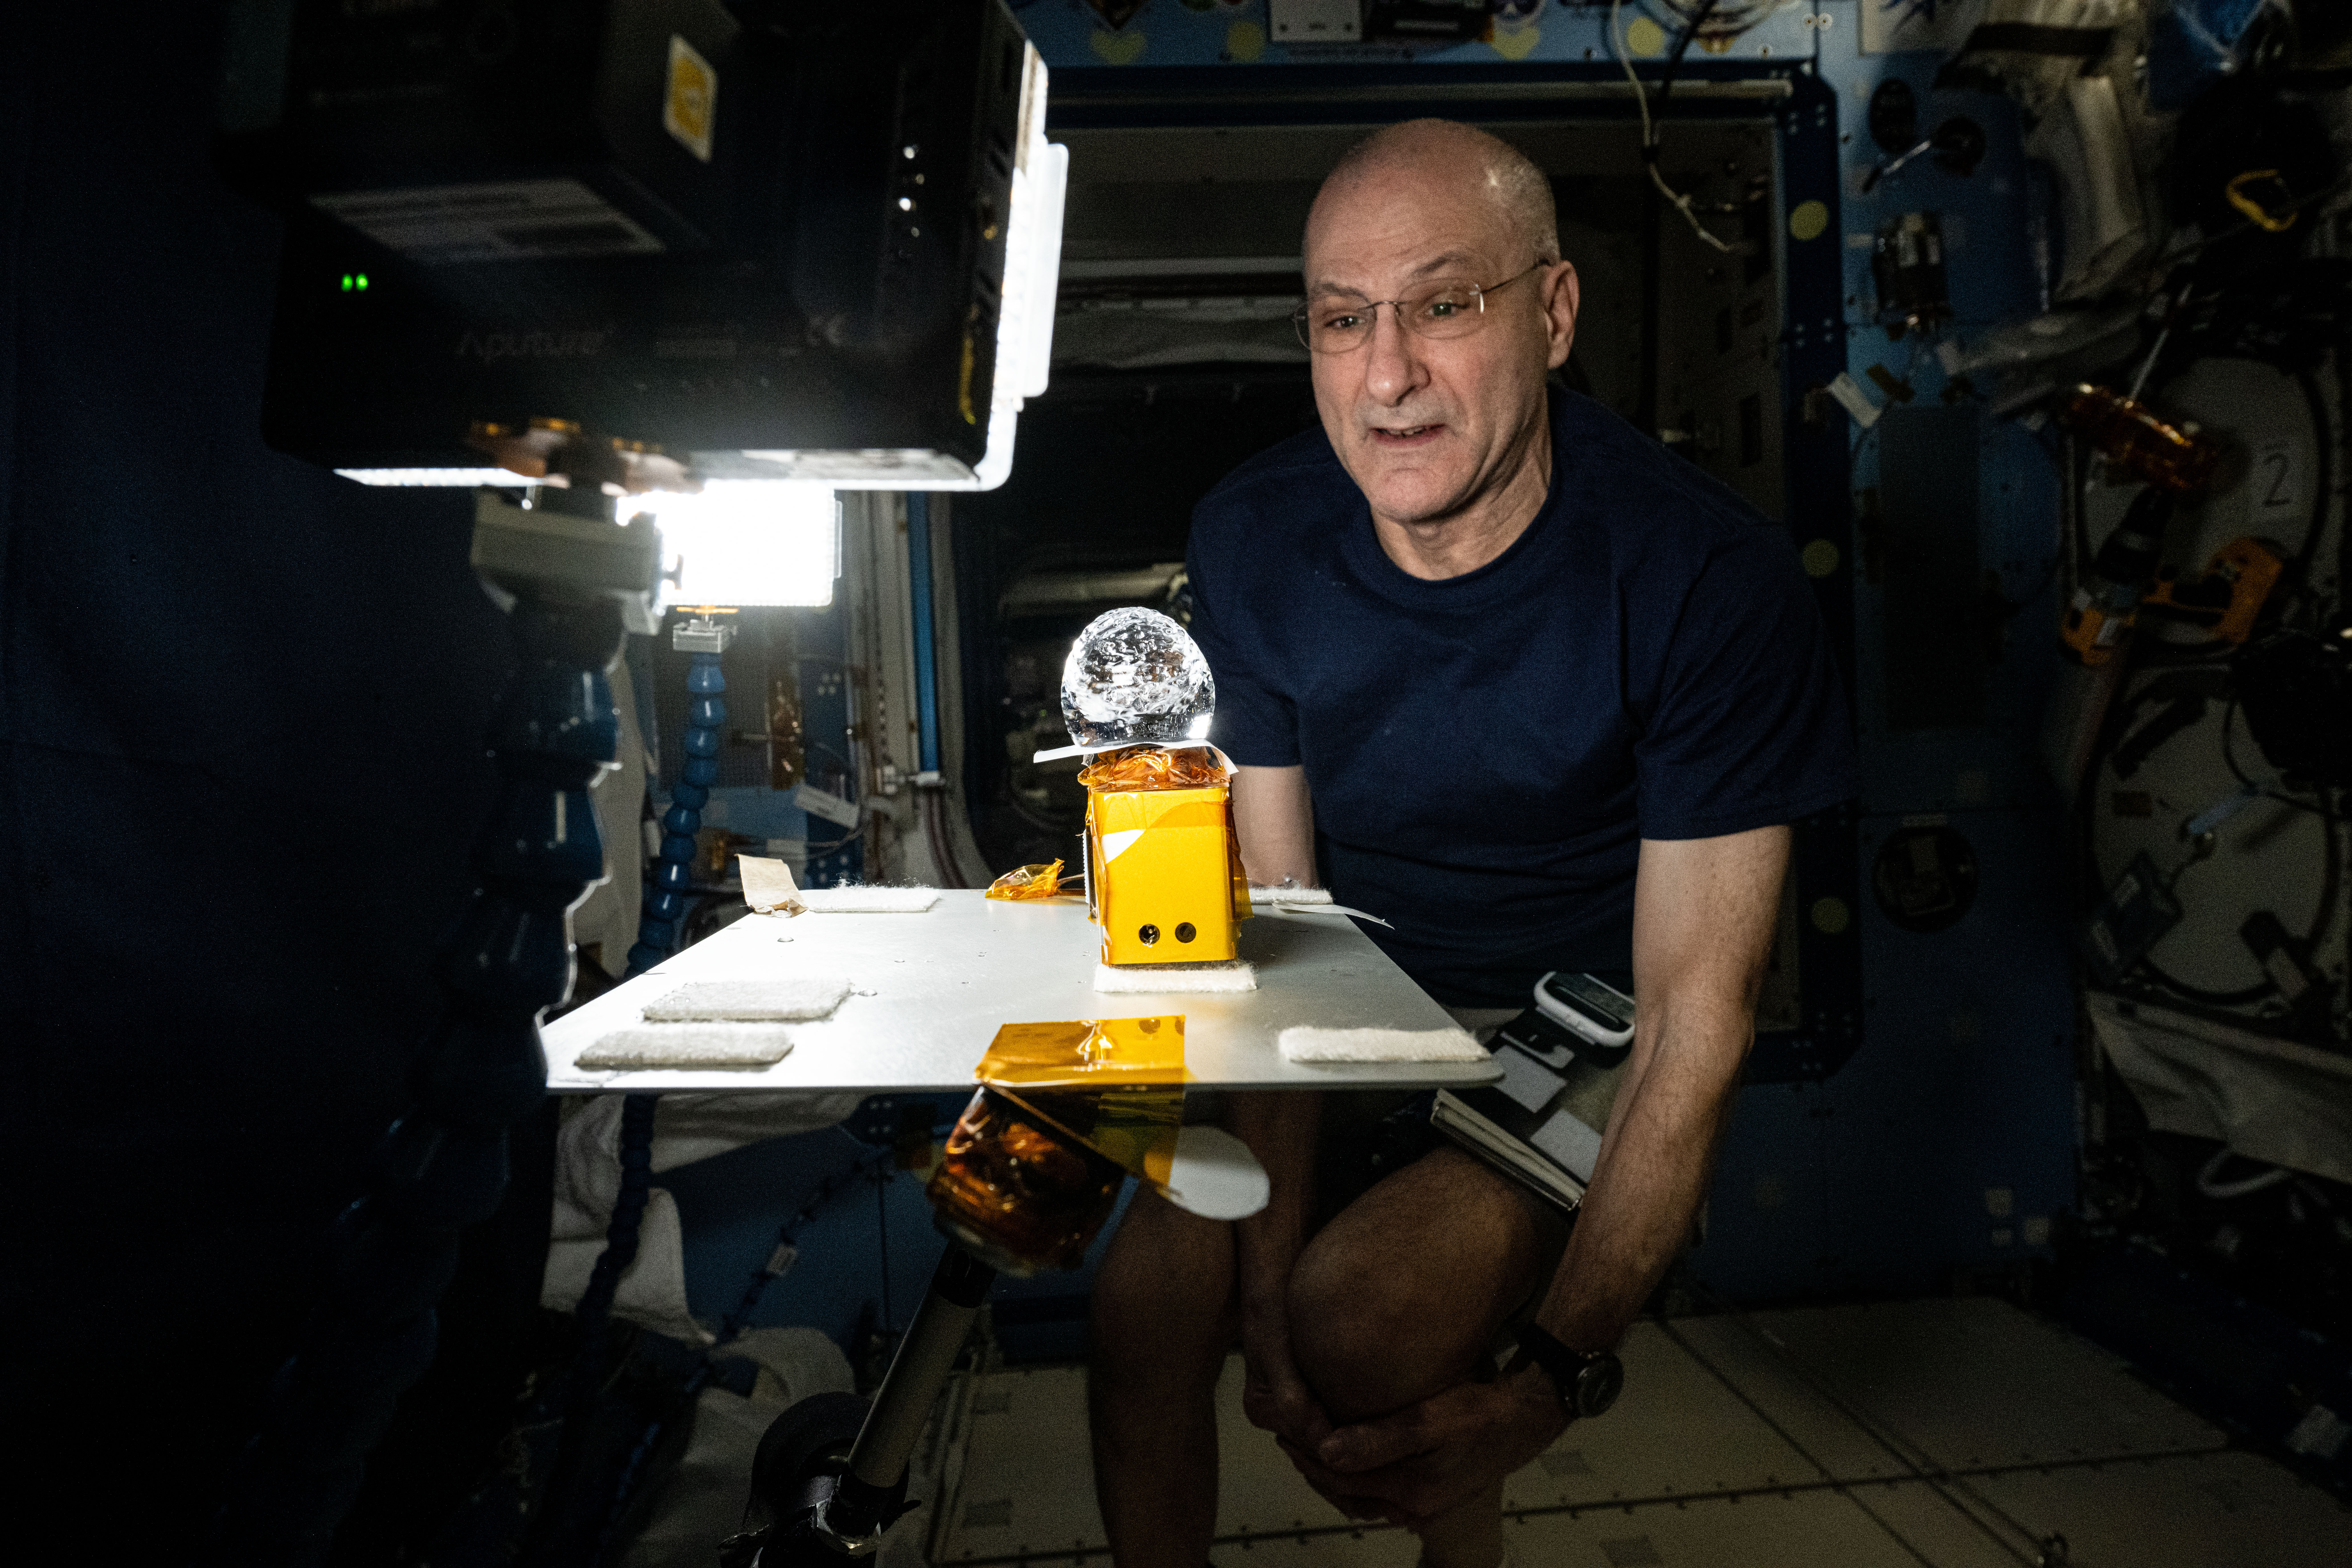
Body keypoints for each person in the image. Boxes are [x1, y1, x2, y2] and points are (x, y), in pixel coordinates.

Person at [1085, 119, 1855, 1568]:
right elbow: (1291, 915)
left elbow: (1696, 1019)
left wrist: (1550, 1381)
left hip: (1585, 1014)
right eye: (1342, 320)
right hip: (1354, 989)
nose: (1386, 376)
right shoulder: (1256, 539)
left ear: (1554, 315)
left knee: (1366, 1320)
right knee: (1144, 1306)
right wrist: (1259, 1283)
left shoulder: (1706, 580)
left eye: (1443, 304)